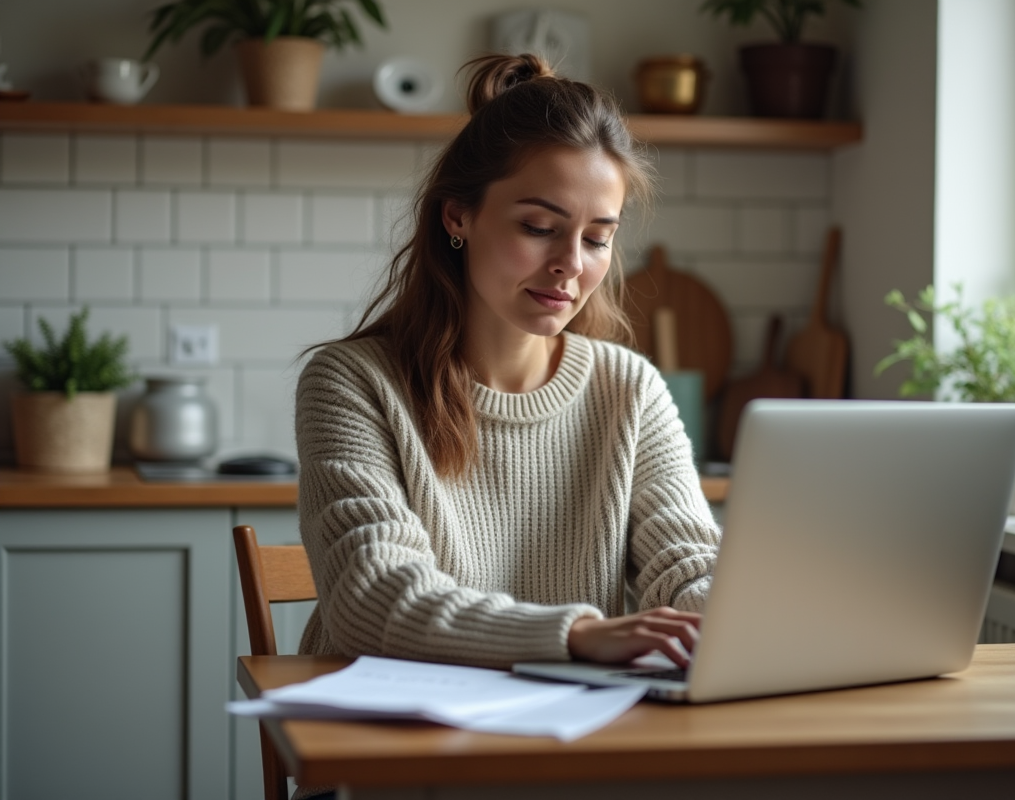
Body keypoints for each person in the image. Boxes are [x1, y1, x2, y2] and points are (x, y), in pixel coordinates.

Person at [294, 52, 721, 699]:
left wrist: (729, 610)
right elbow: (370, 594)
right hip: (388, 752)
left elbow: (687, 564)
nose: (569, 266)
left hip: (572, 744)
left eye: (597, 239)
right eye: (539, 227)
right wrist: (575, 634)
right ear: (457, 216)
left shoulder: (630, 389)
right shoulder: (352, 381)